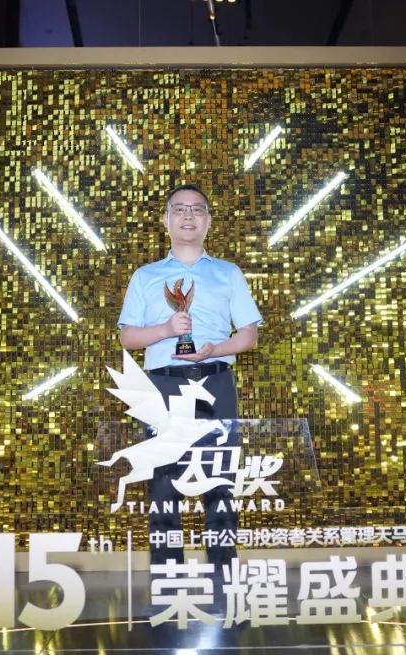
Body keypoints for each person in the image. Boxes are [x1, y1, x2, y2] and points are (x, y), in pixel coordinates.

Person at [117, 183, 262, 566]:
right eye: (179, 209)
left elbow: (249, 335)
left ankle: (224, 574)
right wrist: (166, 330)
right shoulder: (145, 276)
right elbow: (128, 337)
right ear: (166, 220)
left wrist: (216, 348)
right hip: (163, 384)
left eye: (197, 209)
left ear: (208, 221)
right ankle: (168, 577)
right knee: (163, 484)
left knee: (220, 481)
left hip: (215, 380)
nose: (188, 216)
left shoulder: (228, 273)